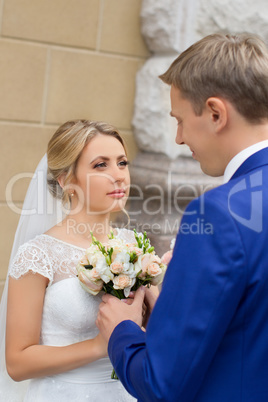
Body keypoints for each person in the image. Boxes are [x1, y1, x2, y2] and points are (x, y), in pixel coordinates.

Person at [96, 33, 268, 401]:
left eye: (180, 120)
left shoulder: (219, 214)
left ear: (216, 113)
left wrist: (122, 331)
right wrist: (175, 310)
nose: (177, 138)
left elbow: (163, 385)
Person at [0, 119, 138, 401]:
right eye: (101, 165)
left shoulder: (135, 247)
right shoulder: (38, 255)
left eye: (122, 163)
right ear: (67, 181)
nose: (119, 175)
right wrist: (100, 346)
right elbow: (16, 362)